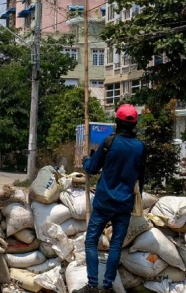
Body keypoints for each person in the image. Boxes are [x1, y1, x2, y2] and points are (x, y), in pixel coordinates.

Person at [74, 104, 145, 293]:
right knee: (115, 245)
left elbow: (92, 169)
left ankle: (91, 285)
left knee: (91, 241)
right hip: (125, 204)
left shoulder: (109, 142)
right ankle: (107, 287)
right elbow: (141, 178)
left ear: (117, 123)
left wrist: (85, 160)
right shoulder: (140, 147)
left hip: (104, 202)